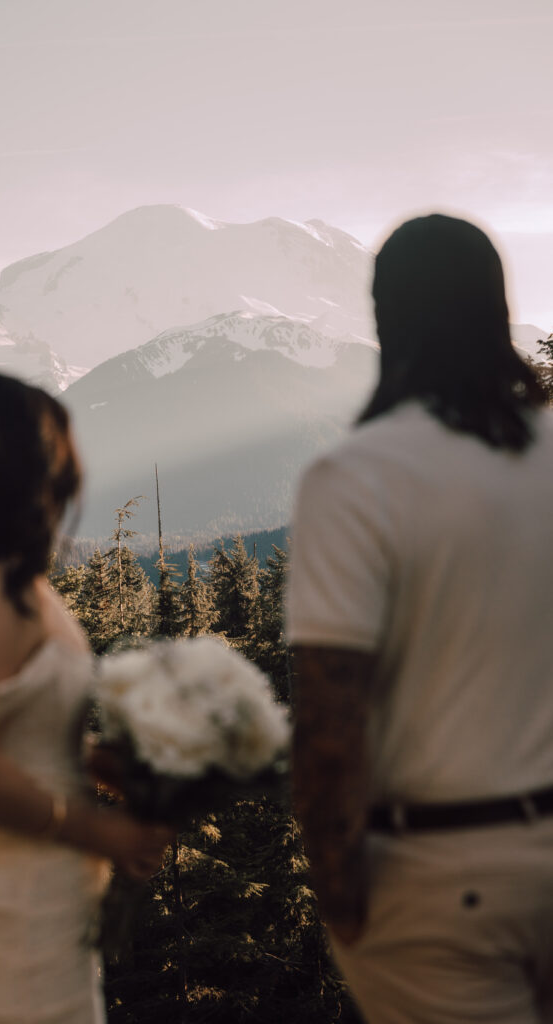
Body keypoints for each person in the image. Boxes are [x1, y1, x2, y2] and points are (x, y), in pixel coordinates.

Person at [286, 214, 553, 1023]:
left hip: (435, 877)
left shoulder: (355, 476)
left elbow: (330, 714)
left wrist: (337, 895)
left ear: (382, 317)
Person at [0, 373, 171, 1024]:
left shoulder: (6, 584)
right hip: (7, 918)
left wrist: (111, 764)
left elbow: (19, 737)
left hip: (36, 907)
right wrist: (102, 831)